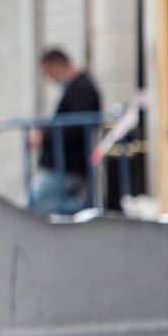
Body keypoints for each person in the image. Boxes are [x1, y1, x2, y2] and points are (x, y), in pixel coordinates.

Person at [28, 47, 101, 215]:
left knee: (35, 206)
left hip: (67, 165)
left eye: (48, 72)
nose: (49, 78)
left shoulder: (82, 89)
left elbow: (73, 129)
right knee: (40, 206)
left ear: (58, 65)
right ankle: (87, 208)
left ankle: (88, 209)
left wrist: (44, 136)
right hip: (63, 164)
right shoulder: (75, 89)